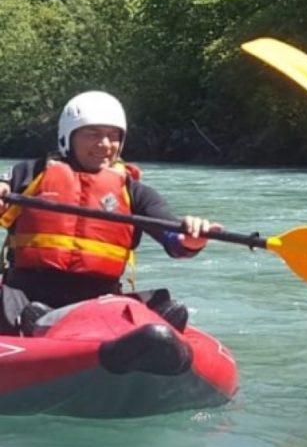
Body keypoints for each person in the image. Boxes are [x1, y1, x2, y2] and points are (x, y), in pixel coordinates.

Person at [0, 90, 221, 335]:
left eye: (113, 136)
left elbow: (173, 239)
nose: (105, 144)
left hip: (97, 300)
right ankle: (38, 324)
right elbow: (3, 186)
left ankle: (61, 326)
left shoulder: (135, 192)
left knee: (158, 302)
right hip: (27, 293)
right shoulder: (30, 173)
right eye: (92, 134)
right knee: (9, 303)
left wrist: (191, 240)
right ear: (67, 137)